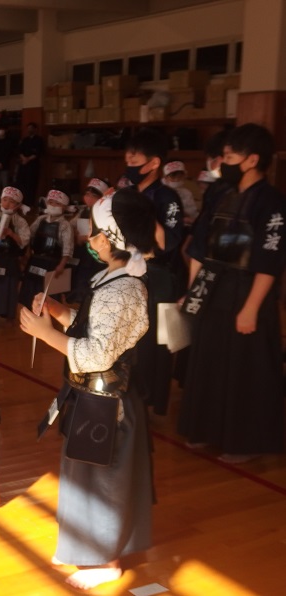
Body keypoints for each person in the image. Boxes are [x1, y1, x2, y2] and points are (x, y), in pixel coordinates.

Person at [20, 188, 157, 591]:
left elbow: (98, 353)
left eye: (98, 233)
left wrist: (47, 334)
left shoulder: (125, 289)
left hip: (108, 402)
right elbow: (95, 327)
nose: (91, 238)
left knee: (102, 482)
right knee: (83, 475)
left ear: (117, 239)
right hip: (91, 397)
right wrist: (61, 313)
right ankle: (84, 546)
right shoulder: (110, 279)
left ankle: (105, 560)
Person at [179, 123, 285, 463]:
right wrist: (192, 292)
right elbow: (200, 247)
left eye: (229, 156)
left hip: (248, 290)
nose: (223, 163)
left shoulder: (272, 202)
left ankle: (244, 443)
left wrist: (251, 308)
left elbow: (270, 262)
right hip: (214, 285)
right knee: (209, 359)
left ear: (252, 160)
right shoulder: (220, 194)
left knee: (245, 367)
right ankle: (206, 431)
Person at [123, 129, 184, 416]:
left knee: (154, 343)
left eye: (135, 159)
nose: (129, 164)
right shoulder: (128, 194)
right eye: (127, 159)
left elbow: (168, 242)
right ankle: (127, 395)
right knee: (129, 337)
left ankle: (150, 402)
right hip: (128, 271)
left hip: (158, 276)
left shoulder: (167, 197)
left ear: (154, 162)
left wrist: (146, 212)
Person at [18, 189, 75, 309]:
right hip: (35, 259)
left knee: (51, 297)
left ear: (64, 207)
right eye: (51, 202)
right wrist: (27, 253)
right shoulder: (40, 219)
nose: (53, 205)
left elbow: (68, 248)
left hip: (53, 263)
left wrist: (62, 265)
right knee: (29, 291)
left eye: (57, 203)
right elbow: (29, 236)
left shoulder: (65, 225)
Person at [0, 186, 30, 320]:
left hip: (9, 258)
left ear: (18, 205)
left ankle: (7, 315)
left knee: (8, 288)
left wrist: (11, 234)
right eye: (5, 200)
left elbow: (24, 241)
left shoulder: (20, 221)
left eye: (11, 201)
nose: (7, 204)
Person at [68, 178, 110, 304]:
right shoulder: (83, 211)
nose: (89, 198)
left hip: (97, 254)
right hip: (82, 251)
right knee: (80, 275)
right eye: (87, 194)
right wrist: (74, 234)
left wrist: (88, 238)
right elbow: (70, 225)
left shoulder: (105, 212)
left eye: (94, 196)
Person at [15, 122, 44, 208]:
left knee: (31, 184)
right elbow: (20, 151)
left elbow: (38, 153)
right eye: (28, 128)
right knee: (21, 183)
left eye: (31, 128)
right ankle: (21, 201)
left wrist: (28, 159)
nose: (29, 130)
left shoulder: (39, 140)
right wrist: (23, 158)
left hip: (33, 165)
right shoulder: (25, 140)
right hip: (23, 165)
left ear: (35, 129)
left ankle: (30, 202)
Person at [162, 160, 198, 224]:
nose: (176, 179)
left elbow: (193, 213)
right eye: (173, 176)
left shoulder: (186, 193)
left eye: (179, 176)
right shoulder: (158, 192)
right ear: (165, 177)